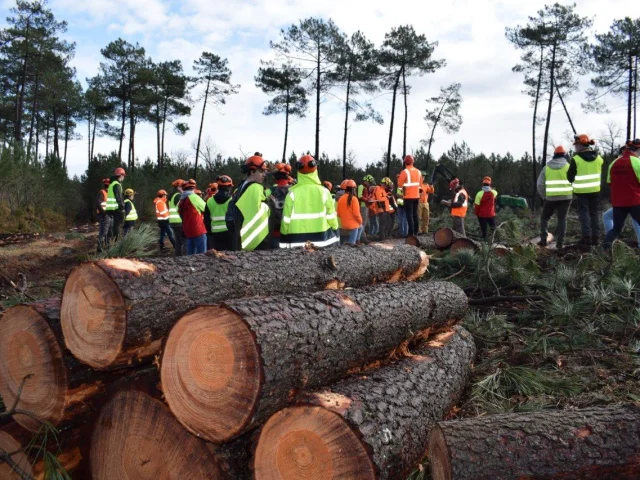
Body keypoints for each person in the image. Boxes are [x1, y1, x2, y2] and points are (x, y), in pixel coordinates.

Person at [280, 154, 339, 248]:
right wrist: (336, 232)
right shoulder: (324, 192)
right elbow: (331, 217)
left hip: (297, 244)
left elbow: (285, 220)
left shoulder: (292, 194)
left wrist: (283, 237)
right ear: (315, 170)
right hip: (321, 242)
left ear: (299, 172)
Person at [227, 154, 271, 251]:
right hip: (255, 243)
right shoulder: (255, 188)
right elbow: (261, 215)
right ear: (252, 172)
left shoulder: (240, 188)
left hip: (240, 240)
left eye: (264, 172)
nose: (264, 175)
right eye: (261, 171)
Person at [567, 134, 604, 245]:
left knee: (584, 214)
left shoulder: (576, 159)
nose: (575, 147)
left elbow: (569, 177)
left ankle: (587, 237)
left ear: (580, 145)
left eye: (576, 145)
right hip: (595, 191)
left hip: (581, 192)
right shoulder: (598, 158)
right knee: (594, 213)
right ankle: (596, 238)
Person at [604, 139, 640, 249]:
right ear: (638, 149)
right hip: (635, 201)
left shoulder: (614, 163)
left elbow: (609, 182)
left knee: (616, 229)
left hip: (618, 203)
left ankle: (605, 250)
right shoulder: (637, 162)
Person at [537, 146, 573, 249]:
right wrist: (571, 194)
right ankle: (560, 244)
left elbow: (539, 185)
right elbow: (574, 181)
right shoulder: (568, 166)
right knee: (562, 219)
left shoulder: (546, 167)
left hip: (551, 198)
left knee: (544, 218)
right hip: (566, 198)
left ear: (554, 155)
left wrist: (544, 196)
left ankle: (543, 240)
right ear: (564, 155)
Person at [177, 179, 207, 255]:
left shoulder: (181, 200)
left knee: (190, 255)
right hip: (198, 229)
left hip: (187, 230)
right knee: (202, 254)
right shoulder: (194, 197)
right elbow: (206, 208)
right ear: (193, 188)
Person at [205, 175, 234, 251]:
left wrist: (210, 234)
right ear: (229, 187)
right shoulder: (232, 200)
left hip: (215, 234)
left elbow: (206, 220)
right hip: (229, 233)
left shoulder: (209, 201)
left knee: (218, 259)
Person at [266, 163, 291, 248]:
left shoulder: (268, 192)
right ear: (287, 176)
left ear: (275, 177)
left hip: (274, 233)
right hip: (290, 232)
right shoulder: (293, 191)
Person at [397, 155, 422, 237]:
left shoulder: (404, 172)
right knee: (415, 214)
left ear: (405, 162)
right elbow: (420, 185)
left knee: (409, 215)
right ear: (413, 161)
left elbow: (400, 185)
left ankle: (411, 234)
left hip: (408, 197)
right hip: (416, 196)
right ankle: (416, 231)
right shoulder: (418, 172)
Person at [336, 179, 363, 244]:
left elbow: (338, 214)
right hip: (353, 227)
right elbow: (356, 214)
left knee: (360, 226)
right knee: (360, 226)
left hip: (343, 225)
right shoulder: (354, 199)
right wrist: (360, 221)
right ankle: (354, 242)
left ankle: (353, 242)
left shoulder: (340, 199)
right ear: (354, 189)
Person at [105, 167, 126, 242]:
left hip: (110, 209)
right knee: (117, 227)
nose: (124, 177)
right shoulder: (117, 184)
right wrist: (122, 207)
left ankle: (109, 243)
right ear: (121, 175)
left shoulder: (111, 184)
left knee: (111, 228)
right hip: (116, 209)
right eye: (123, 176)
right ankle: (116, 243)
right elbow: (118, 198)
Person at [169, 179, 186, 256]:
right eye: (183, 186)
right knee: (183, 241)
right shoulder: (178, 195)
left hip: (173, 221)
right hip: (178, 221)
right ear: (179, 187)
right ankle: (184, 257)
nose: (184, 188)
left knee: (178, 241)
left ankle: (178, 256)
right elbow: (180, 208)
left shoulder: (172, 195)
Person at [96, 178, 112, 252]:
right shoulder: (102, 192)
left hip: (109, 215)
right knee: (103, 232)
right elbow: (98, 204)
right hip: (104, 215)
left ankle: (108, 247)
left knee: (109, 232)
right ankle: (100, 248)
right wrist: (104, 213)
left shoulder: (110, 194)